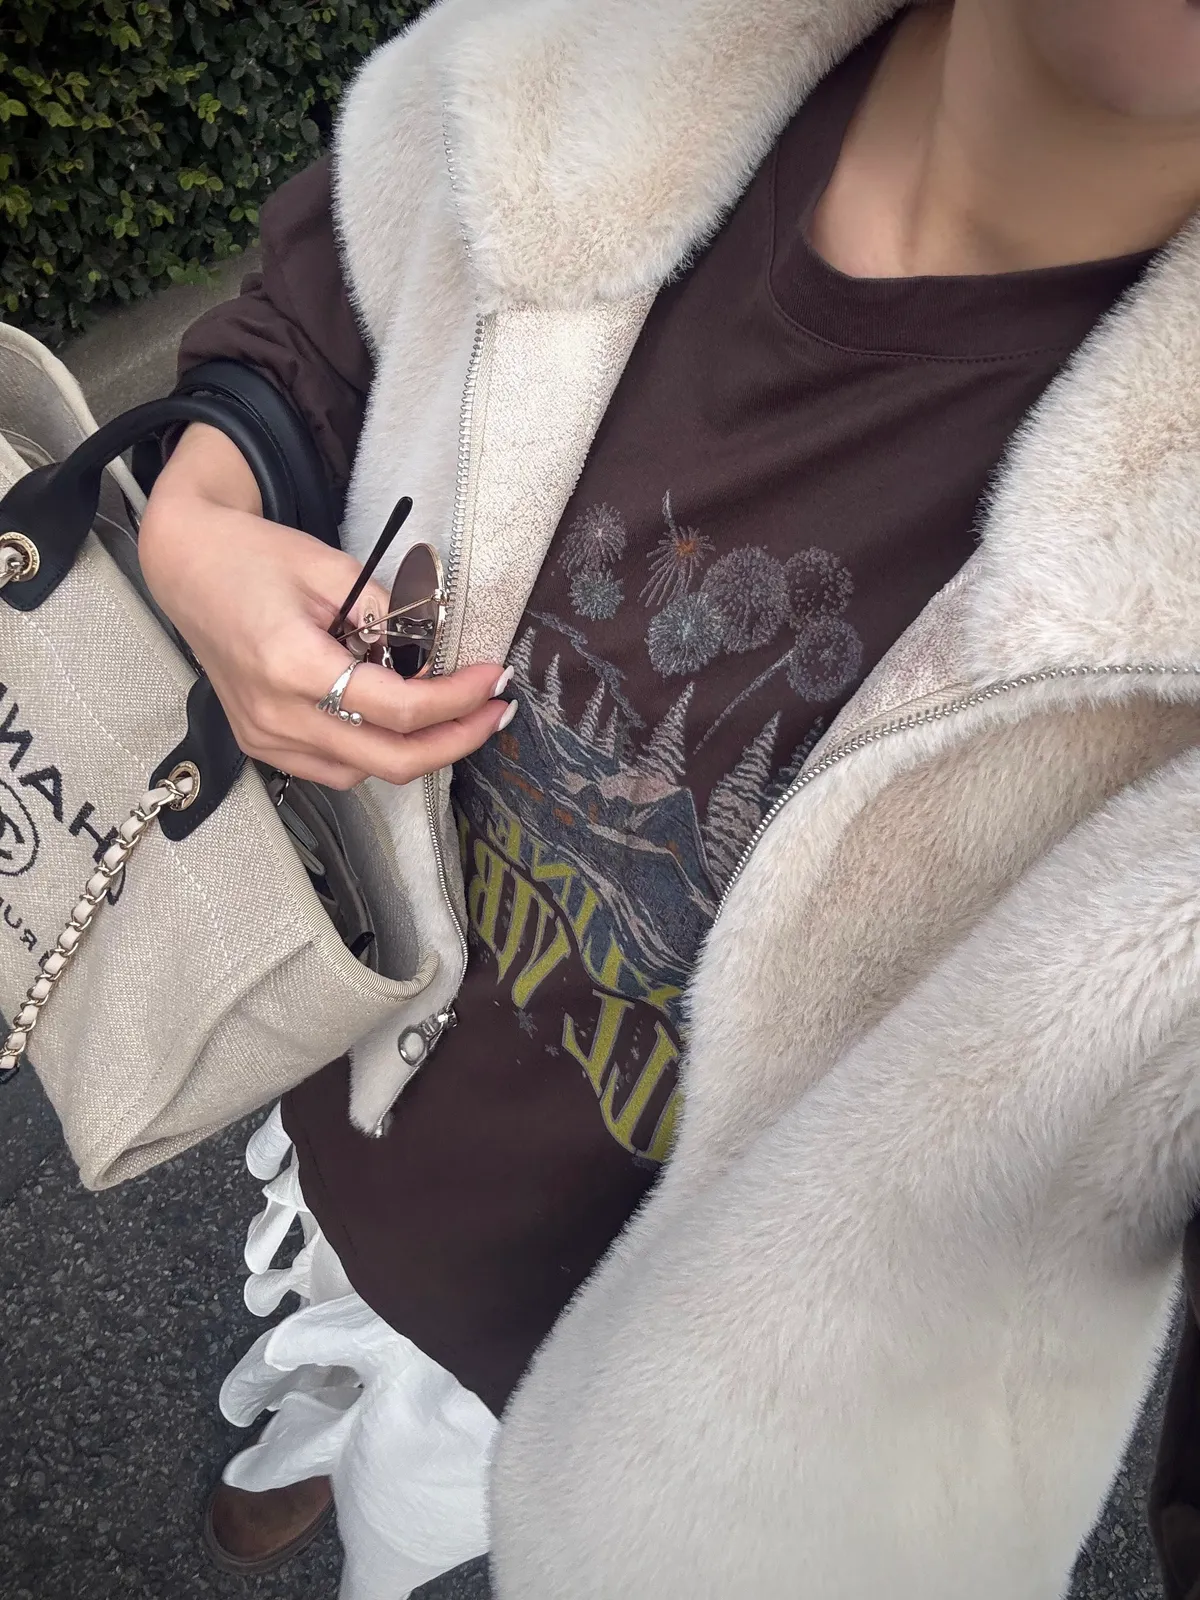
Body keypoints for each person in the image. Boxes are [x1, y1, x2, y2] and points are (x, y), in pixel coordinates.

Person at [139, 0, 1200, 1594]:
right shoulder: (552, 58)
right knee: (324, 1295)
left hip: (580, 1383)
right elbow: (311, 333)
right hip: (333, 1059)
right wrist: (199, 524)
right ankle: (323, 1393)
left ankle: (387, 1493)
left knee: (421, 1504)